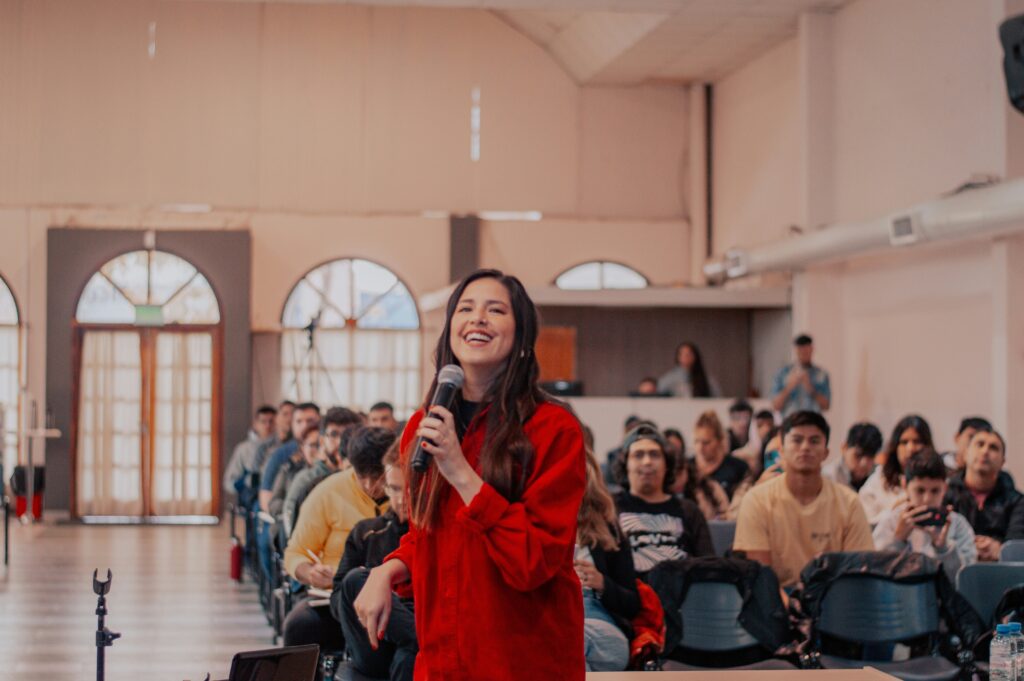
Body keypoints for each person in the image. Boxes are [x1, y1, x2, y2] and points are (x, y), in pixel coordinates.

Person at [352, 269, 588, 680]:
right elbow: (430, 536)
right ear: (450, 332)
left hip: (523, 660)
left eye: (495, 310)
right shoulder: (423, 426)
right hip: (445, 658)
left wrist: (461, 471)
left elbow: (534, 560)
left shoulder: (554, 430)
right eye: (466, 308)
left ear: (521, 340)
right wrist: (387, 570)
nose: (477, 318)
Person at [733, 411, 873, 591]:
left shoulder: (850, 503)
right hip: (773, 602)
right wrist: (788, 608)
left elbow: (857, 572)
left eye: (814, 441)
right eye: (797, 440)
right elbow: (761, 577)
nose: (805, 447)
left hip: (832, 601)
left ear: (826, 452)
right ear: (782, 450)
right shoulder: (756, 500)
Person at [281, 426, 393, 648]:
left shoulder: (405, 492)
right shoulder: (327, 492)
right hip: (335, 596)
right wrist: (311, 573)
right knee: (299, 626)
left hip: (393, 595)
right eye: (362, 477)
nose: (371, 486)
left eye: (378, 477)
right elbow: (295, 553)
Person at [333, 443, 415, 681]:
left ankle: (415, 637)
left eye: (410, 489)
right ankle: (418, 636)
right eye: (395, 488)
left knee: (407, 657)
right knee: (355, 580)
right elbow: (339, 595)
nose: (402, 499)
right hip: (373, 631)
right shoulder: (367, 531)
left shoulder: (436, 534)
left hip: (416, 622)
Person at [612, 425, 714, 578]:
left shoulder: (689, 510)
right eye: (638, 455)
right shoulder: (610, 508)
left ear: (667, 465)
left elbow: (709, 566)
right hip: (628, 597)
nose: (647, 462)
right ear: (626, 464)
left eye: (654, 455)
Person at [575, 447, 639, 672]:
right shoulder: (533, 527)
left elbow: (632, 604)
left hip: (599, 623)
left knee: (569, 642)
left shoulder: (607, 529)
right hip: (554, 622)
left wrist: (602, 583)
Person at [873, 449, 976, 581]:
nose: (927, 499)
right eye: (919, 490)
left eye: (935, 491)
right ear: (905, 486)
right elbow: (877, 573)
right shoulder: (891, 521)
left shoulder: (957, 524)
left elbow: (965, 581)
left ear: (944, 489)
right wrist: (898, 540)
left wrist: (943, 549)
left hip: (942, 599)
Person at [945, 429, 1024, 561]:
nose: (985, 451)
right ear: (965, 454)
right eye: (979, 444)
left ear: (1003, 462)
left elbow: (1016, 546)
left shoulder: (1018, 501)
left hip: (1002, 572)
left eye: (993, 447)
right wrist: (967, 547)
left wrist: (999, 549)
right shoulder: (945, 494)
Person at [282, 407, 363, 536]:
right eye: (334, 434)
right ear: (321, 441)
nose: (341, 441)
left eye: (348, 435)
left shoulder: (364, 480)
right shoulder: (307, 480)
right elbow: (290, 529)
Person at [859, 415, 933, 525]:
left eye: (917, 441)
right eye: (904, 442)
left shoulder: (936, 480)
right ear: (895, 446)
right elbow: (866, 525)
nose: (910, 448)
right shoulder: (879, 479)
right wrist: (895, 509)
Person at [260, 402, 321, 513]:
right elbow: (266, 498)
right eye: (299, 421)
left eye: (310, 421)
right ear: (292, 425)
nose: (304, 426)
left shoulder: (331, 453)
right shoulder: (281, 454)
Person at [693, 410, 751, 502]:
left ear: (719, 441)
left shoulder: (738, 467)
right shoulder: (687, 468)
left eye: (706, 442)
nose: (700, 448)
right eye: (696, 441)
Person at [770, 334, 831, 417]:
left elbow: (826, 406)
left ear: (811, 349)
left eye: (806, 351)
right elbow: (775, 406)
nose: (803, 354)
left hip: (813, 422)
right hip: (790, 421)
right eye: (800, 351)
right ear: (795, 350)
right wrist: (789, 387)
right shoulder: (783, 373)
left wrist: (810, 388)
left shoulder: (821, 374)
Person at [222, 404, 276, 496]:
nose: (267, 426)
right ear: (255, 424)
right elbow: (228, 482)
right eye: (263, 421)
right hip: (248, 498)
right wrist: (244, 482)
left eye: (271, 421)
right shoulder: (243, 449)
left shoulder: (281, 449)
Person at [822, 422, 883, 493]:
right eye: (858, 455)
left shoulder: (879, 476)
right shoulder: (828, 477)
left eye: (870, 457)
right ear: (844, 448)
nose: (864, 463)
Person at [656, 341, 721, 398]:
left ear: (695, 357)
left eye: (689, 354)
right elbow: (659, 393)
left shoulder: (706, 379)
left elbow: (717, 397)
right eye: (682, 354)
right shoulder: (670, 378)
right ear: (678, 357)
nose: (685, 357)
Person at [674, 456, 730, 521]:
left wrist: (720, 519)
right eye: (672, 476)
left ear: (686, 469)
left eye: (679, 474)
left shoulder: (708, 486)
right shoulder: (663, 495)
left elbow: (726, 512)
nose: (677, 481)